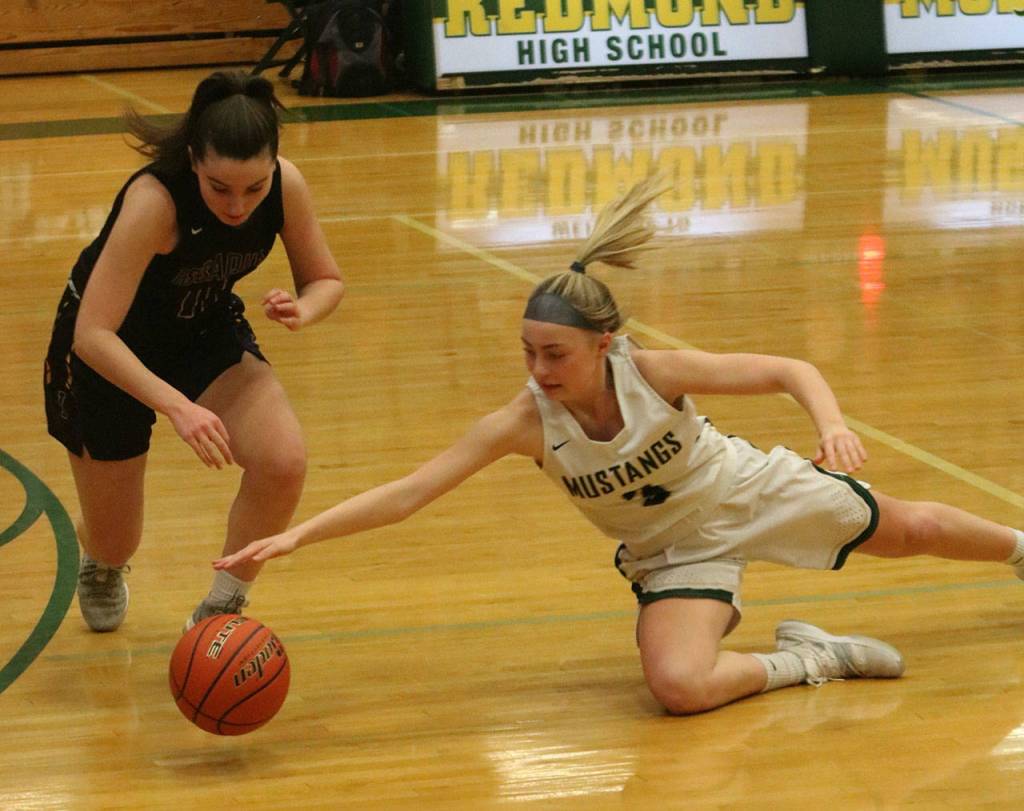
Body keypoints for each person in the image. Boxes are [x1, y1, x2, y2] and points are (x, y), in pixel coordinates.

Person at [213, 176, 1024, 715]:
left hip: (747, 490)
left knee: (914, 530)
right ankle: (815, 657)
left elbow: (789, 368)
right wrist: (297, 536)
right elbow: (408, 494)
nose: (538, 369)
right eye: (528, 351)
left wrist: (832, 424)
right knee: (678, 687)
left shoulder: (652, 371)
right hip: (671, 552)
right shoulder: (525, 421)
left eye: (554, 354)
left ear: (605, 345)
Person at [43, 70, 344, 633]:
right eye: (219, 188)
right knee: (116, 540)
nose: (238, 206)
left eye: (254, 188)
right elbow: (93, 335)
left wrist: (304, 309)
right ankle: (101, 558)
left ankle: (223, 604)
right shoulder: (154, 202)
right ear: (192, 161)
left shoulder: (287, 185)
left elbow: (326, 279)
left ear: (273, 165)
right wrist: (177, 406)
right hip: (109, 350)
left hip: (200, 327)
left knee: (283, 462)